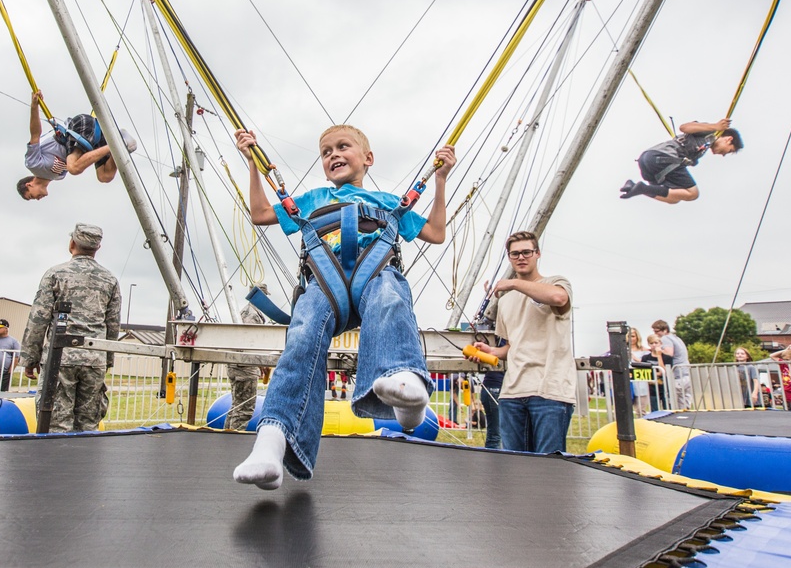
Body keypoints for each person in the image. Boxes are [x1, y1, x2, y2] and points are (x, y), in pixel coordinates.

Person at [231, 125, 455, 489]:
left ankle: (408, 390)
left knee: (389, 300)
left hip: (375, 273)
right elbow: (259, 213)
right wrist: (253, 163)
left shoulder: (388, 201)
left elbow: (436, 233)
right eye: (325, 152)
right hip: (324, 283)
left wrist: (441, 180)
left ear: (367, 159)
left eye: (342, 147)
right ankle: (270, 443)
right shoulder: (310, 199)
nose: (333, 155)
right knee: (301, 338)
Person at [469, 232, 575, 454]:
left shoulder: (556, 283)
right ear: (509, 257)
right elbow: (513, 345)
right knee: (515, 466)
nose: (521, 257)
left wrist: (514, 283)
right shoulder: (505, 301)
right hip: (512, 393)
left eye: (527, 252)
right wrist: (492, 351)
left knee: (548, 466)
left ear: (538, 254)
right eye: (515, 253)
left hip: (549, 391)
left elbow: (559, 299)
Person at [20, 223, 121, 432]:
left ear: (72, 243)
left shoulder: (56, 274)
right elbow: (113, 324)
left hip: (61, 357)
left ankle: (56, 464)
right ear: (97, 248)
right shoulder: (110, 279)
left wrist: (30, 358)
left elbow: (38, 319)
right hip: (94, 358)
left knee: (56, 423)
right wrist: (107, 359)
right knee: (88, 424)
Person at [16, 91, 138, 201]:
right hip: (92, 141)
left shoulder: (33, 164)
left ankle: (118, 144)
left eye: (32, 196)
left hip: (80, 127)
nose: (37, 199)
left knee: (73, 167)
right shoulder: (58, 177)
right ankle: (120, 141)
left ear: (29, 184)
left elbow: (35, 134)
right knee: (105, 176)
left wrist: (34, 106)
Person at [620, 119, 743, 203]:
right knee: (693, 193)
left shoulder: (705, 145)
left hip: (647, 160)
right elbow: (685, 127)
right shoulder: (711, 133)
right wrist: (715, 126)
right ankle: (642, 188)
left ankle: (635, 188)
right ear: (728, 139)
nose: (723, 154)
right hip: (662, 158)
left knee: (674, 198)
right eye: (729, 150)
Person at [225, 287, 268, 431]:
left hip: (236, 364)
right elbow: (250, 341)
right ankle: (234, 440)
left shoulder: (245, 311)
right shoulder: (252, 315)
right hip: (244, 367)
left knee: (236, 405)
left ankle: (227, 436)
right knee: (245, 409)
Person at [652, 320, 692, 410]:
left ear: (665, 330)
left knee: (675, 402)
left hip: (677, 374)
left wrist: (658, 350)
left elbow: (669, 353)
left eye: (657, 331)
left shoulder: (665, 338)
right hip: (685, 371)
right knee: (685, 400)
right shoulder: (676, 338)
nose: (655, 334)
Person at [641, 333, 672, 411]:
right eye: (651, 343)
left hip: (665, 388)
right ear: (648, 344)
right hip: (652, 389)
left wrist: (659, 356)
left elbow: (663, 371)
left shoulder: (667, 358)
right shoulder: (645, 358)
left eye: (656, 343)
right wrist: (656, 373)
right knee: (654, 411)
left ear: (660, 343)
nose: (654, 345)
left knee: (667, 410)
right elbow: (643, 372)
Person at [628, 326, 651, 415]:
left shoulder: (645, 351)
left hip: (640, 383)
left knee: (641, 410)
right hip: (628, 383)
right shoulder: (623, 350)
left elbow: (648, 365)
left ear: (637, 337)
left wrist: (636, 359)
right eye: (629, 336)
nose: (631, 339)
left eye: (633, 336)